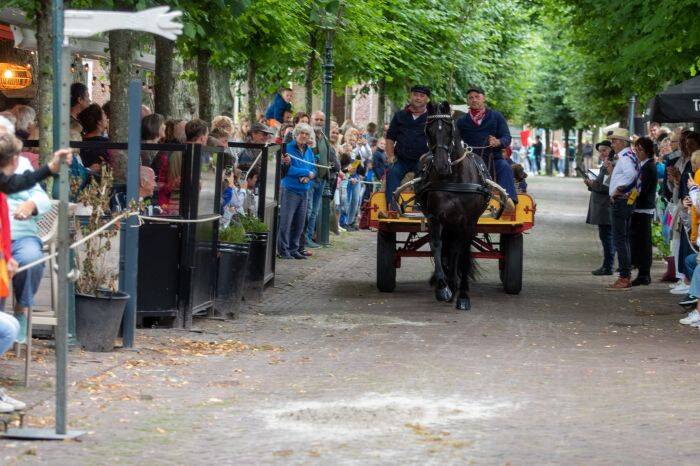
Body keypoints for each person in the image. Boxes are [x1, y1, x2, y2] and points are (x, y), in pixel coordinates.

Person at [6, 154, 51, 344]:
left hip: (22, 234)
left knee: (32, 259)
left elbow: (42, 197)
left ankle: (21, 309)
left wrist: (31, 204)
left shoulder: (21, 164)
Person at [455, 86, 517, 205]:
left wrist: (498, 142)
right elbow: (454, 140)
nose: (474, 100)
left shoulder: (496, 116)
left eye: (477, 97)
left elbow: (507, 138)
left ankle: (509, 202)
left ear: (484, 98)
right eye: (470, 98)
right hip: (470, 160)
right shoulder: (461, 121)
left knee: (505, 167)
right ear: (467, 101)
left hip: (493, 159)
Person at [384, 85, 431, 212]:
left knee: (425, 175)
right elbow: (390, 138)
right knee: (392, 172)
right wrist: (390, 156)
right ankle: (392, 207)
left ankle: (418, 205)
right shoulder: (399, 115)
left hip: (422, 160)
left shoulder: (431, 118)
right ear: (410, 96)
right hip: (401, 159)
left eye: (422, 96)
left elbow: (437, 140)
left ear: (427, 99)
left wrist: (428, 155)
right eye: (415, 95)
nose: (418, 98)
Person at [605, 128, 640, 290]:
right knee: (623, 238)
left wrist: (620, 189)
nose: (612, 144)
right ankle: (626, 275)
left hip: (621, 201)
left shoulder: (625, 157)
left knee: (619, 239)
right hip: (625, 201)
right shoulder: (630, 155)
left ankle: (624, 277)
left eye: (614, 141)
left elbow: (631, 175)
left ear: (622, 142)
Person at [278, 123, 317, 259]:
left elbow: (314, 169)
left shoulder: (309, 151)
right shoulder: (288, 148)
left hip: (304, 190)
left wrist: (308, 177)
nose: (304, 136)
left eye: (307, 134)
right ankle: (283, 250)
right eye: (301, 133)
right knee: (286, 221)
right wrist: (306, 172)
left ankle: (294, 249)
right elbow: (288, 170)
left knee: (299, 223)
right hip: (290, 189)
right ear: (296, 134)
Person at [305, 111, 338, 248]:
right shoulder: (309, 136)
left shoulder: (324, 137)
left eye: (321, 120)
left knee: (314, 211)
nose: (319, 122)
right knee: (308, 209)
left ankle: (308, 237)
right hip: (311, 179)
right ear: (311, 120)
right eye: (316, 119)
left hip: (323, 179)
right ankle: (304, 238)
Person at [629, 136, 657, 286]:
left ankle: (644, 273)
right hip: (639, 208)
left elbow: (643, 189)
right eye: (636, 149)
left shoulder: (649, 167)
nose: (637, 153)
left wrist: (630, 197)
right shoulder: (643, 165)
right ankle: (641, 270)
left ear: (647, 151)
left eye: (640, 150)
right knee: (638, 241)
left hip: (643, 208)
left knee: (643, 242)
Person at [585, 140, 615, 276]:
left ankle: (608, 266)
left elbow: (607, 186)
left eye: (605, 150)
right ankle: (607, 265)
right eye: (600, 151)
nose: (602, 153)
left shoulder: (610, 164)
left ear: (611, 149)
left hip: (605, 207)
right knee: (606, 237)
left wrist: (593, 184)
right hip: (602, 206)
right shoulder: (606, 163)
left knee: (607, 237)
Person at [77, 103, 109, 172]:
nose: (106, 117)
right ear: (99, 122)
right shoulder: (107, 144)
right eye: (104, 114)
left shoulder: (78, 142)